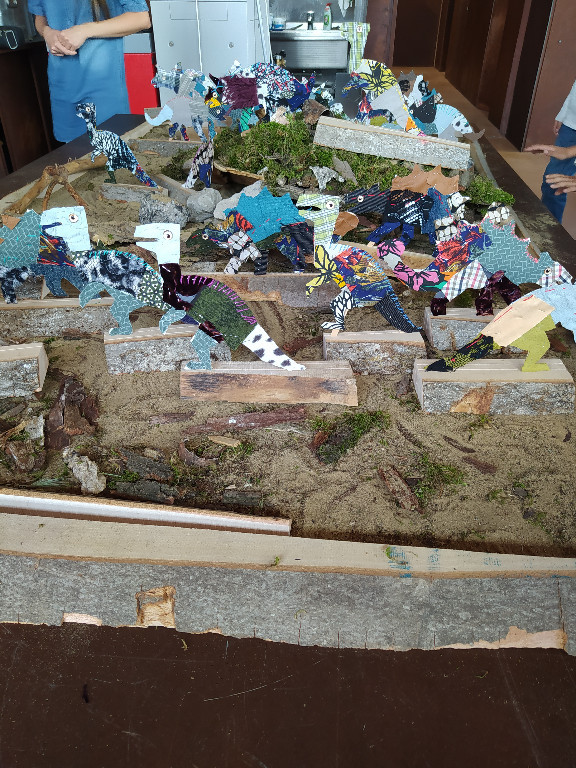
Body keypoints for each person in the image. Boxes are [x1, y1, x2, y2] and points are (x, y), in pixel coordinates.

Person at [28, 0, 151, 143]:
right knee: (73, 150)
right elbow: (40, 18)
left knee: (109, 145)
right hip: (63, 80)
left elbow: (141, 18)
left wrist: (84, 30)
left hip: (102, 81)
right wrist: (47, 32)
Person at [525, 79, 576, 222]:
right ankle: (548, 225)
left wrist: (569, 152)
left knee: (559, 183)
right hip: (571, 126)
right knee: (552, 182)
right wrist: (564, 113)